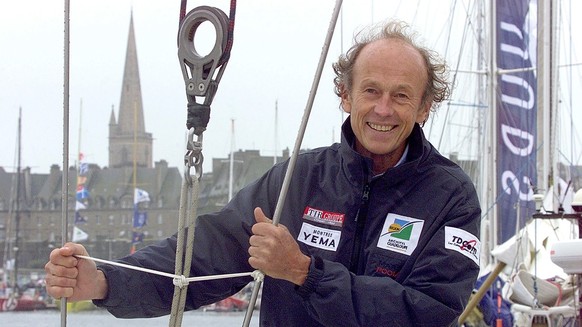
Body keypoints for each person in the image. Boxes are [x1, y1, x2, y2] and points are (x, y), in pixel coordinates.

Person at [45, 20, 481, 326]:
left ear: (424, 107)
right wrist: (104, 281)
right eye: (370, 90)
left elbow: (430, 313)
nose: (383, 109)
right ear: (345, 96)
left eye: (401, 96)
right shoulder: (297, 180)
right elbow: (204, 254)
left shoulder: (451, 197)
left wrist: (306, 274)